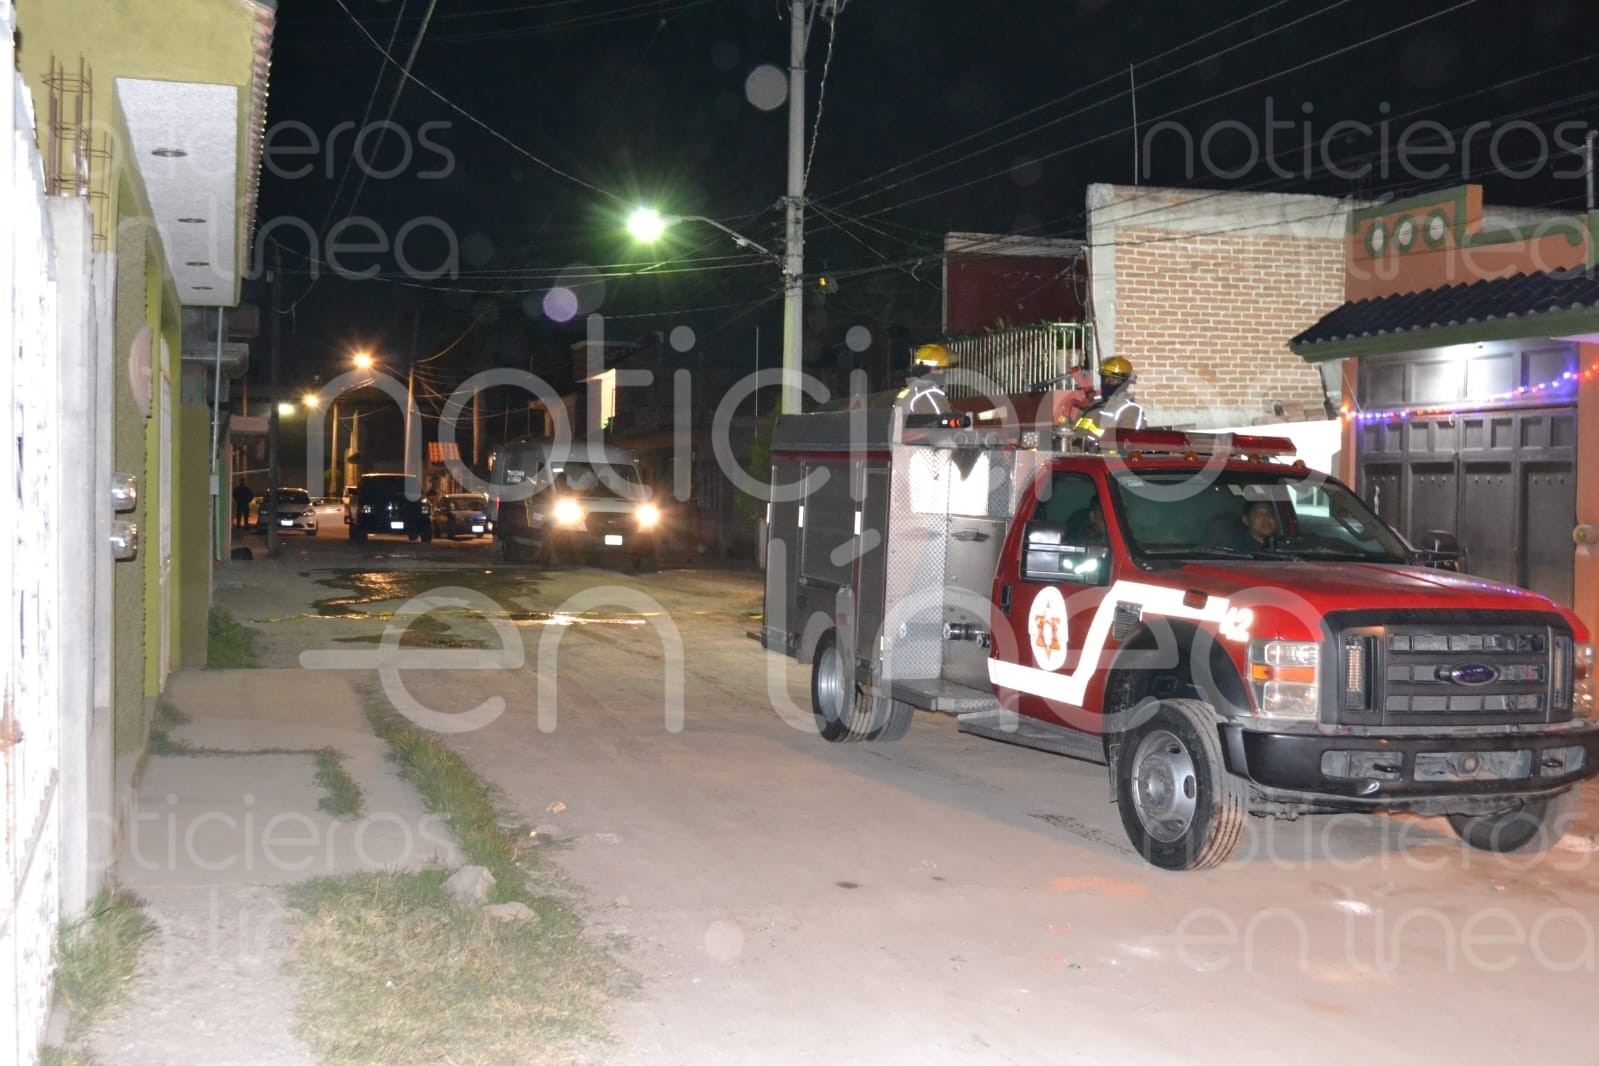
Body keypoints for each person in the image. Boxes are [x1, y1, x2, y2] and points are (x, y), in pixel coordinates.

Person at [1076, 355, 1145, 437]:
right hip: (1076, 448)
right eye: (1106, 378)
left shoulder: (1131, 410)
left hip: (1099, 449)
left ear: (1125, 383)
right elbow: (1076, 429)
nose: (1108, 382)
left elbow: (1124, 443)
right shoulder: (1095, 403)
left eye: (1115, 379)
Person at [895, 343, 954, 415]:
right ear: (923, 370)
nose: (942, 372)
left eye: (944, 369)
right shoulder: (928, 394)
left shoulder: (909, 390)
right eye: (937, 369)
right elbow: (944, 420)